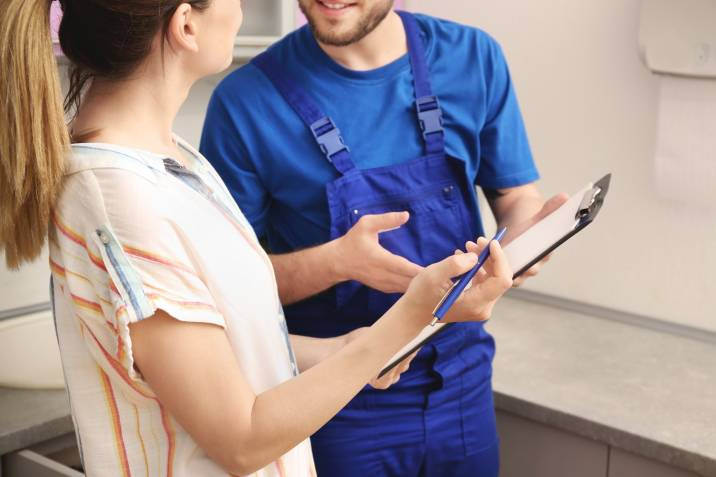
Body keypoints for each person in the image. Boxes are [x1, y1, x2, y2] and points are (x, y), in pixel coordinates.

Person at [0, 1, 514, 476]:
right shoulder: (117, 198)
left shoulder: (172, 163)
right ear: (186, 25)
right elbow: (240, 439)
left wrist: (342, 348)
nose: (241, 10)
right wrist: (413, 314)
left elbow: (213, 353)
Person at [200, 1, 568, 476]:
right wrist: (337, 261)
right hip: (334, 397)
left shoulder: (473, 57)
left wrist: (524, 241)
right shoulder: (245, 103)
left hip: (461, 379)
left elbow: (514, 195)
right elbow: (227, 295)